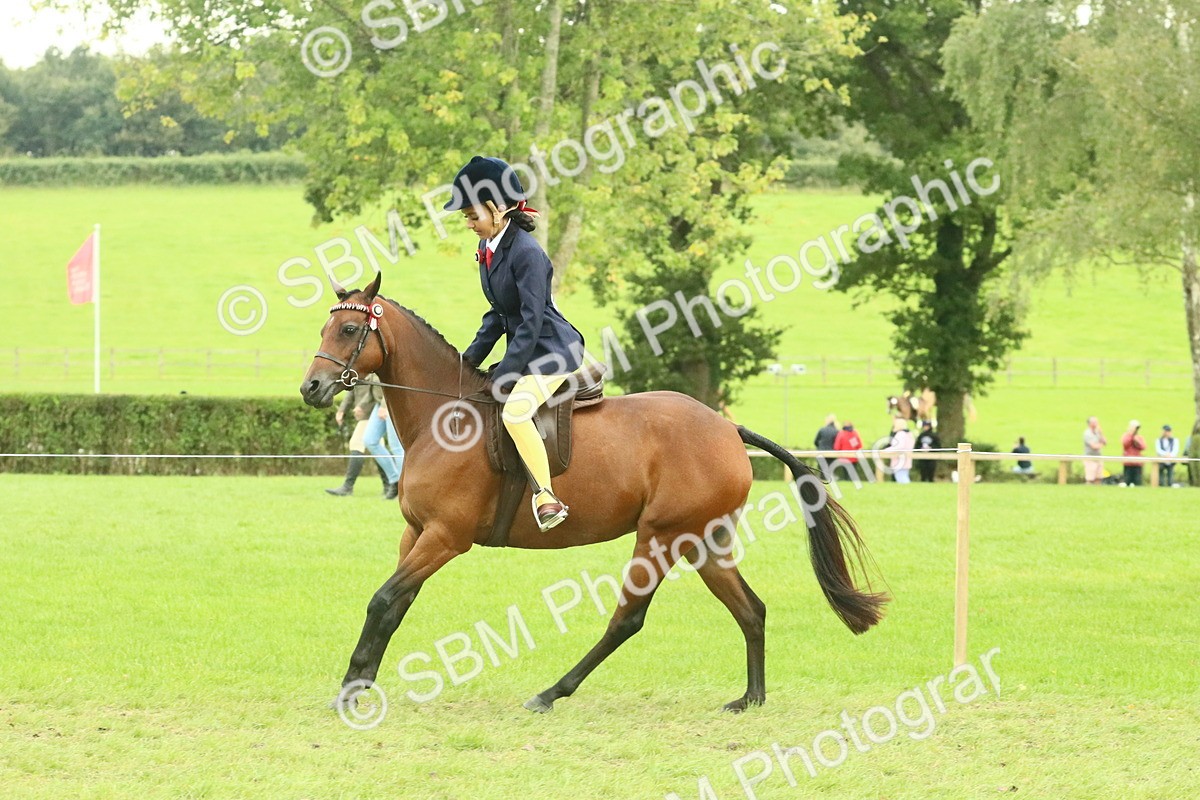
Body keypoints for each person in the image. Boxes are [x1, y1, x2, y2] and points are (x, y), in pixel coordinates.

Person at [448, 156, 588, 531]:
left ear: (498, 210)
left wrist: (507, 372)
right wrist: (465, 362)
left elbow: (531, 320)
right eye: (465, 216)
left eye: (472, 215)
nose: (468, 223)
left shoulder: (527, 252)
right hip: (528, 349)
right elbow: (497, 315)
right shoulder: (490, 249)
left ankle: (546, 497)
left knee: (514, 411)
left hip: (554, 353)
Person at [325, 376, 390, 497]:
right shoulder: (358, 371)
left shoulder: (374, 373)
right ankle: (390, 485)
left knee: (357, 444)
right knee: (378, 448)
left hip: (373, 414)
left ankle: (348, 486)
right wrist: (342, 410)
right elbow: (352, 392)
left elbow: (376, 393)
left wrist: (363, 407)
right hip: (367, 414)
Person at [364, 398, 404, 500]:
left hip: (390, 400)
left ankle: (403, 488)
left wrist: (384, 405)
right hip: (379, 403)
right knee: (370, 440)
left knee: (396, 447)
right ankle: (395, 481)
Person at [883, 418, 914, 483]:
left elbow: (898, 447)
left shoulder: (901, 434)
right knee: (904, 475)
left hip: (899, 460)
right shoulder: (909, 434)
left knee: (901, 478)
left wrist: (885, 451)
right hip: (906, 459)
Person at [1120, 420, 1146, 486]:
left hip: (1137, 462)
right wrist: (1131, 436)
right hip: (1128, 462)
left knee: (1138, 482)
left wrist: (1137, 440)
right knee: (1127, 481)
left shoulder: (1139, 437)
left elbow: (1143, 447)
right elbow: (1125, 444)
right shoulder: (1126, 436)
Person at [1083, 416, 1107, 485]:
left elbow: (1105, 442)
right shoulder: (1087, 433)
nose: (1096, 423)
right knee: (1090, 478)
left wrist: (1101, 433)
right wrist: (1102, 444)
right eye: (1094, 422)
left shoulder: (1097, 432)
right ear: (1090, 424)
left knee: (1098, 477)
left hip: (1098, 457)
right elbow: (1094, 446)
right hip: (1090, 458)